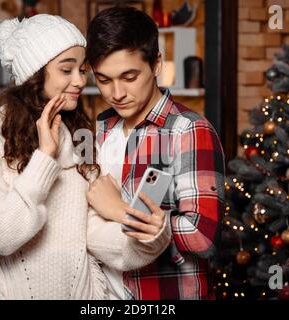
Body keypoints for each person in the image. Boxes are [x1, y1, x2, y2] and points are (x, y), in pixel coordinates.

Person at [0, 13, 170, 300]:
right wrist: (45, 159)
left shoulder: (79, 136)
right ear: (34, 73)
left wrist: (149, 236)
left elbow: (92, 232)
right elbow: (2, 237)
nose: (80, 80)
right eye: (66, 70)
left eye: (82, 70)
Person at [84, 7, 226, 299]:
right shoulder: (100, 130)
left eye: (129, 76)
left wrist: (119, 212)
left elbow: (202, 237)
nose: (117, 93)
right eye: (104, 80)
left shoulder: (188, 130)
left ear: (157, 63)